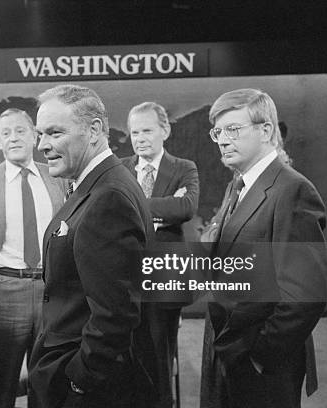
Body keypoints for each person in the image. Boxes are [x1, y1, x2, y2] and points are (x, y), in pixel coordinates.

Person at [29, 84, 156, 408]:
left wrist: (80, 384)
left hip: (85, 389)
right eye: (40, 134)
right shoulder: (97, 185)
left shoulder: (108, 196)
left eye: (55, 133)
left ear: (95, 129)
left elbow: (114, 315)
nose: (42, 145)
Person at [200, 88, 327, 408]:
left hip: (261, 366)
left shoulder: (293, 190)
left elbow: (304, 295)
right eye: (218, 132)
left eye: (233, 130)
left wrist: (259, 356)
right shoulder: (238, 185)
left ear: (266, 130)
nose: (223, 140)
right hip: (227, 350)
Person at [0, 108, 66, 408]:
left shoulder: (58, 176)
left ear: (35, 136)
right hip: (3, 291)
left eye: (20, 130)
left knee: (46, 383)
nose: (13, 138)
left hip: (52, 291)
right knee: (3, 386)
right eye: (6, 132)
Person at [121, 101, 199, 408]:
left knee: (159, 363)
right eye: (134, 132)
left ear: (164, 130)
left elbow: (186, 208)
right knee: (125, 363)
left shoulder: (184, 168)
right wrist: (162, 206)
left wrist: (134, 205)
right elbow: (110, 210)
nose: (140, 138)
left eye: (147, 130)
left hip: (164, 282)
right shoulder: (121, 168)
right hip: (125, 283)